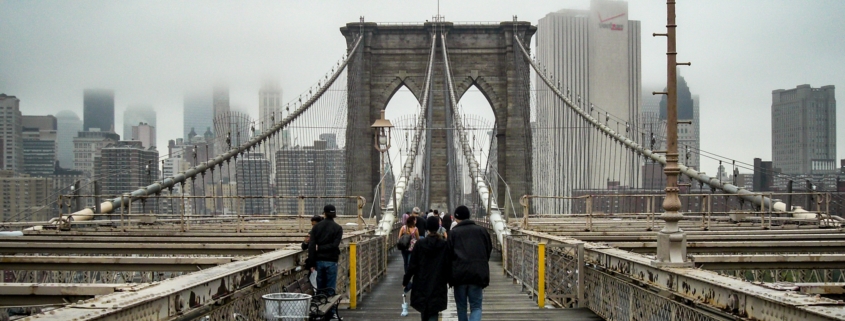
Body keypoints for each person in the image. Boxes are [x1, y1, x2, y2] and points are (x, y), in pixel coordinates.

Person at [403, 216, 452, 321]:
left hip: (421, 281)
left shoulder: (420, 244)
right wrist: (450, 280)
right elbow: (448, 264)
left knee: (424, 309)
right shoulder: (444, 245)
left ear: (426, 228)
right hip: (438, 282)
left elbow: (412, 265)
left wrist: (406, 280)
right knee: (434, 310)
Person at [448, 205, 492, 321]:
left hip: (459, 275)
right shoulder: (482, 231)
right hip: (477, 273)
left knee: (461, 307)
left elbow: (448, 255)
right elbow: (488, 250)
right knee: (476, 307)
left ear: (456, 218)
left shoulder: (453, 233)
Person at [306, 204, 344, 320]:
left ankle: (319, 311)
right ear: (334, 214)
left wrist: (312, 262)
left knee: (320, 288)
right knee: (330, 288)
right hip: (332, 261)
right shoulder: (338, 228)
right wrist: (324, 248)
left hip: (319, 261)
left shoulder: (316, 227)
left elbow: (311, 246)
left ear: (324, 213)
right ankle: (330, 313)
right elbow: (334, 245)